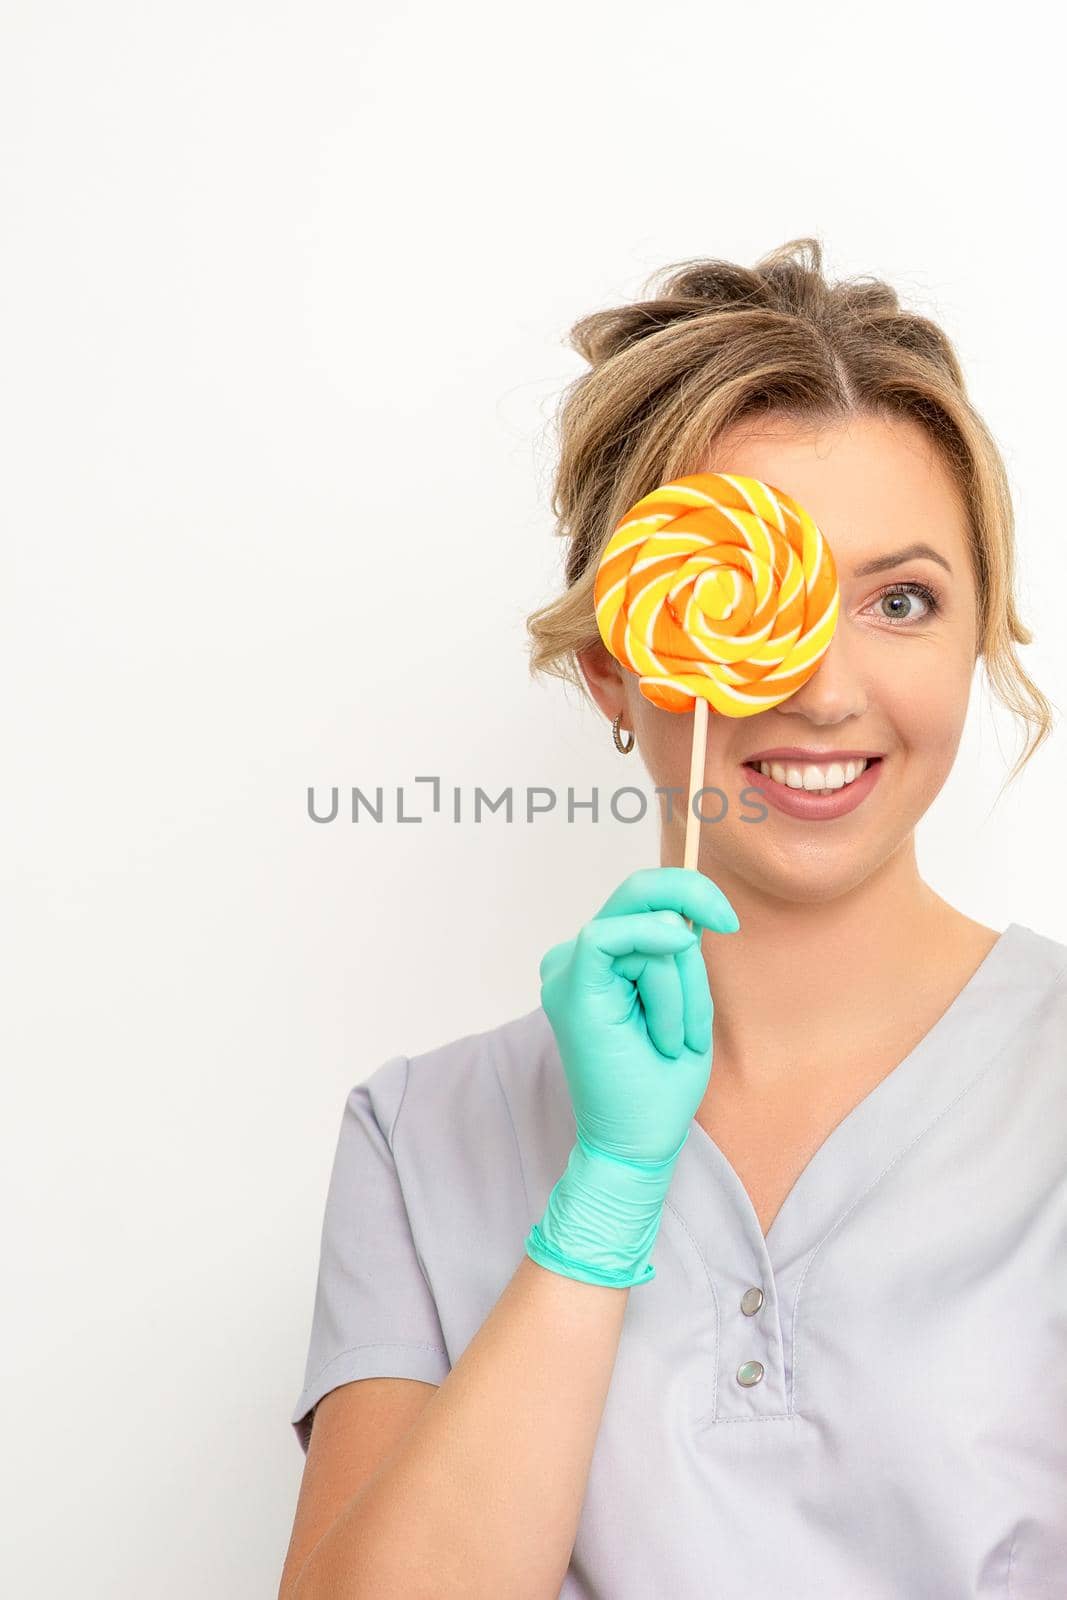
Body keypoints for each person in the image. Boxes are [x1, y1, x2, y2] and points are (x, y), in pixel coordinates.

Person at [279, 238, 1067, 1599]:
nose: (824, 690)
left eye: (901, 600)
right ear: (614, 668)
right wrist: (601, 1210)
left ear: (977, 633)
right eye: (750, 608)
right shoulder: (418, 1141)